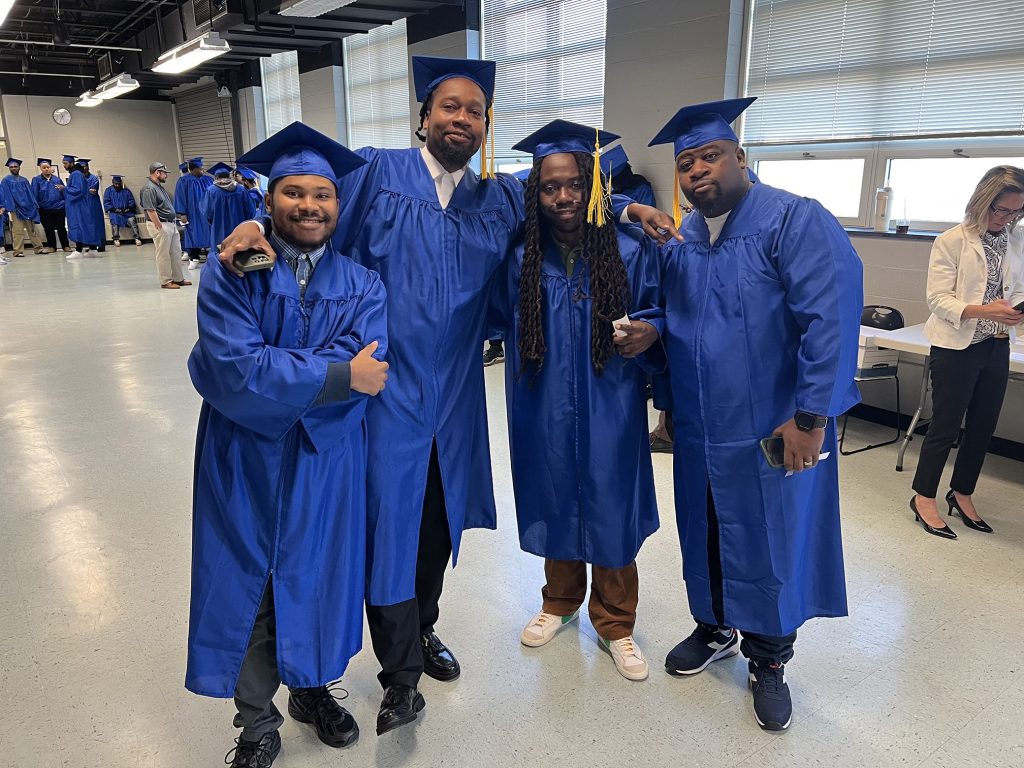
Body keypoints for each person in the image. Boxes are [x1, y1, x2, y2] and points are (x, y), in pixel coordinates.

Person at [217, 58, 677, 736]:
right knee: (375, 530)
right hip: (375, 394)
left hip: (456, 397)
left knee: (434, 524)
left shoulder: (496, 197)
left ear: (487, 127)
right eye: (451, 107)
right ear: (425, 115)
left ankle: (421, 630)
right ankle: (375, 669)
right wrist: (253, 231)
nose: (463, 118)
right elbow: (302, 218)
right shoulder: (374, 171)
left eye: (476, 111)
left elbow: (565, 191)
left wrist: (631, 202)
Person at [646, 98, 863, 731]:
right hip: (702, 428)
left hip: (774, 425)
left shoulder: (792, 220)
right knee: (708, 525)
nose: (696, 172)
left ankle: (769, 660)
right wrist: (650, 340)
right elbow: (679, 319)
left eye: (710, 156)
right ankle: (714, 625)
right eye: (685, 164)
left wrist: (811, 417)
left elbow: (830, 320)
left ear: (741, 157)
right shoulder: (686, 236)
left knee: (770, 534)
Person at [187, 122, 390, 768]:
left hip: (324, 459)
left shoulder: (364, 285)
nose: (309, 206)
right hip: (241, 459)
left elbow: (368, 372)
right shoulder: (231, 273)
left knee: (317, 578)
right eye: (294, 193)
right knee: (247, 583)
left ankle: (310, 689)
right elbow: (234, 370)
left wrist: (296, 377)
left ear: (339, 204)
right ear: (268, 200)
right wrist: (332, 376)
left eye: (322, 195)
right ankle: (255, 724)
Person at [491, 120, 662, 681]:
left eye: (573, 184)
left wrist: (651, 332)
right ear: (534, 193)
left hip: (611, 398)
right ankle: (559, 603)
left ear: (594, 187)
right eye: (547, 186)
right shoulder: (518, 256)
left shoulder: (630, 249)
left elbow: (662, 311)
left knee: (611, 498)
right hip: (541, 398)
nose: (562, 196)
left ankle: (616, 622)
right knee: (556, 485)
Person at [909, 166, 1024, 538]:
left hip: (997, 345)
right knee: (945, 426)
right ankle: (923, 497)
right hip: (956, 346)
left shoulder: (1015, 241)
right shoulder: (952, 240)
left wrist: (1014, 311)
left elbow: (1016, 288)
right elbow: (938, 299)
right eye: (1001, 210)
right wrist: (984, 310)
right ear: (983, 201)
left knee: (982, 427)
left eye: (1016, 212)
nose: (1007, 219)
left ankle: (962, 493)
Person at [140, 162, 189, 288]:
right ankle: (166, 281)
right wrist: (159, 226)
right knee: (163, 254)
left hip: (169, 224)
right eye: (164, 173)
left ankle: (178, 279)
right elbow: (150, 209)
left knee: (175, 252)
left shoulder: (158, 187)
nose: (166, 176)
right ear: (157, 172)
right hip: (160, 225)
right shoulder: (149, 189)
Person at [202, 162, 256, 254]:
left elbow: (207, 212)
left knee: (221, 253)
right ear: (229, 176)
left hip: (219, 228)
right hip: (239, 228)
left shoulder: (211, 191)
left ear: (216, 177)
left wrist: (214, 222)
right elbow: (250, 210)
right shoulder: (241, 189)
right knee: (239, 254)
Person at [1, 158, 46, 256]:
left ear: (19, 167)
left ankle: (38, 248)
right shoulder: (6, 180)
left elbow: (30, 194)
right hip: (16, 209)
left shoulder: (24, 180)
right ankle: (18, 251)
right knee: (18, 231)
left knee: (33, 230)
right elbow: (6, 195)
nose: (13, 168)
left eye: (15, 166)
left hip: (28, 208)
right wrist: (11, 207)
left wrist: (34, 205)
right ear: (9, 168)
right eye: (11, 167)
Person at [175, 156, 214, 269]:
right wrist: (182, 213)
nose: (202, 170)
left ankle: (210, 257)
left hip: (207, 213)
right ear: (192, 170)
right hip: (193, 214)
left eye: (202, 168)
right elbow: (180, 197)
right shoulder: (183, 181)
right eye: (200, 168)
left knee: (209, 234)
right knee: (193, 234)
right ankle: (194, 258)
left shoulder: (208, 180)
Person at [32, 158, 71, 252]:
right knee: (48, 228)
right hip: (45, 208)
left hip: (59, 208)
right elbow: (34, 195)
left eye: (48, 167)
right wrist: (37, 206)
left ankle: (65, 245)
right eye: (44, 167)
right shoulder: (36, 180)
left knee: (61, 227)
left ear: (50, 168)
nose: (46, 169)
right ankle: (52, 246)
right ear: (41, 169)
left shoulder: (57, 179)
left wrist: (64, 204)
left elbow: (64, 193)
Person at [103, 175, 142, 246]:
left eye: (119, 183)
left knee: (132, 220)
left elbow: (131, 201)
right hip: (115, 212)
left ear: (121, 183)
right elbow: (106, 203)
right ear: (112, 182)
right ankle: (116, 239)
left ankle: (137, 238)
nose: (117, 185)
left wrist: (128, 208)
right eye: (116, 184)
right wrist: (115, 209)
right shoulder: (108, 191)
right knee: (114, 221)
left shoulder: (126, 191)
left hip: (127, 212)